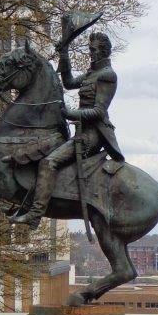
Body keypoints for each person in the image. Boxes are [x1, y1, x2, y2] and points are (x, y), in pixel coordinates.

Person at [10, 30, 124, 226]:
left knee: (49, 163)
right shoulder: (92, 73)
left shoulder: (107, 76)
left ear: (104, 51)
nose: (91, 53)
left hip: (94, 134)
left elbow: (98, 112)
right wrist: (64, 54)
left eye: (94, 50)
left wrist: (71, 113)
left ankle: (35, 214)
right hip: (81, 131)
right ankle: (27, 202)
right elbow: (69, 82)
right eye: (90, 49)